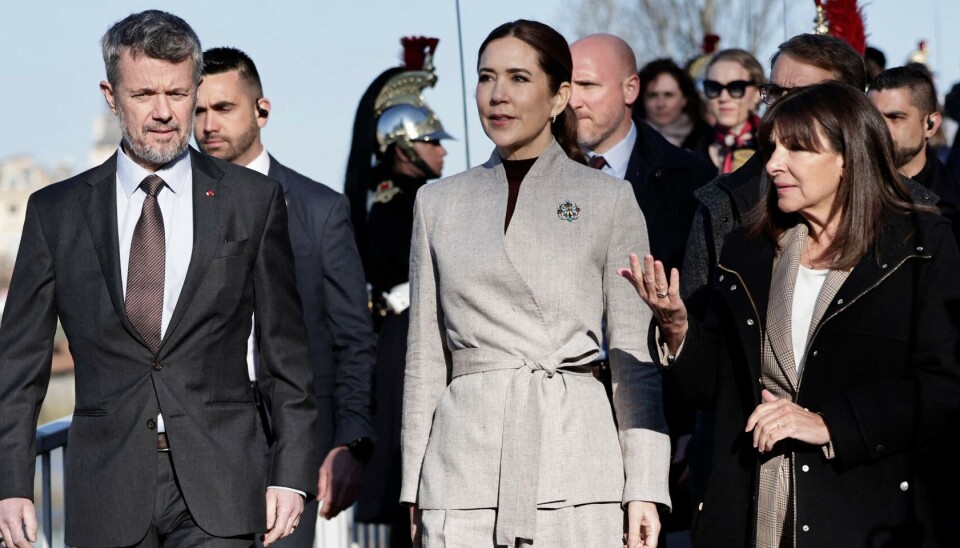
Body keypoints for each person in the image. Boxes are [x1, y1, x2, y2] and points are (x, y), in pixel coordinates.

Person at [0, 10, 316, 548]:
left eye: (178, 93)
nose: (164, 112)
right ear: (111, 96)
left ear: (195, 90)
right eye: (144, 94)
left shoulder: (252, 201)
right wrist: (11, 485)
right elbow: (19, 364)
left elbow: (285, 351)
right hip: (106, 489)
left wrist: (290, 473)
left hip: (223, 485)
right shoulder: (55, 213)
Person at [622, 81, 960, 548]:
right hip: (756, 507)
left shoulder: (921, 246)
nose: (773, 163)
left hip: (867, 513)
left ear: (848, 157)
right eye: (772, 147)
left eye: (796, 149)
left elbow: (944, 384)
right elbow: (711, 389)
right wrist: (678, 329)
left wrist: (830, 423)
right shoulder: (748, 250)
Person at [401, 20, 670, 548]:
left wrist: (644, 486)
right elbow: (425, 359)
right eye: (486, 77)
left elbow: (633, 357)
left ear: (559, 97)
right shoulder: (437, 203)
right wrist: (414, 486)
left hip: (578, 460)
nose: (497, 95)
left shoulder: (608, 199)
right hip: (462, 467)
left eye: (518, 78)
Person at [194, 47, 377, 546]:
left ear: (262, 111)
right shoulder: (173, 210)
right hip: (201, 443)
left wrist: (352, 442)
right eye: (199, 110)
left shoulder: (320, 210)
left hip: (293, 444)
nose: (208, 125)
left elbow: (353, 339)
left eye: (224, 108)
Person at [346, 36, 452, 548]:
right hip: (407, 336)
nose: (443, 149)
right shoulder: (402, 202)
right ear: (404, 146)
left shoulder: (393, 195)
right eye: (432, 141)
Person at [569, 34, 715, 276]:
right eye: (566, 86)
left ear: (630, 89)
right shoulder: (535, 171)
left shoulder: (693, 181)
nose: (572, 101)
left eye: (587, 85)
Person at [869, 65, 960, 240]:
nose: (882, 129)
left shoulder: (952, 202)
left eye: (895, 117)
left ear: (930, 125)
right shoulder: (845, 189)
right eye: (873, 118)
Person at [701, 49, 765, 174]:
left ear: (757, 93)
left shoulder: (772, 147)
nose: (723, 98)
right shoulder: (693, 148)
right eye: (714, 88)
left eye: (736, 87)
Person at [636, 58, 712, 158]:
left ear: (684, 99)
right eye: (653, 95)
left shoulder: (707, 140)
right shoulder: (630, 140)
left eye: (669, 95)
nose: (661, 104)